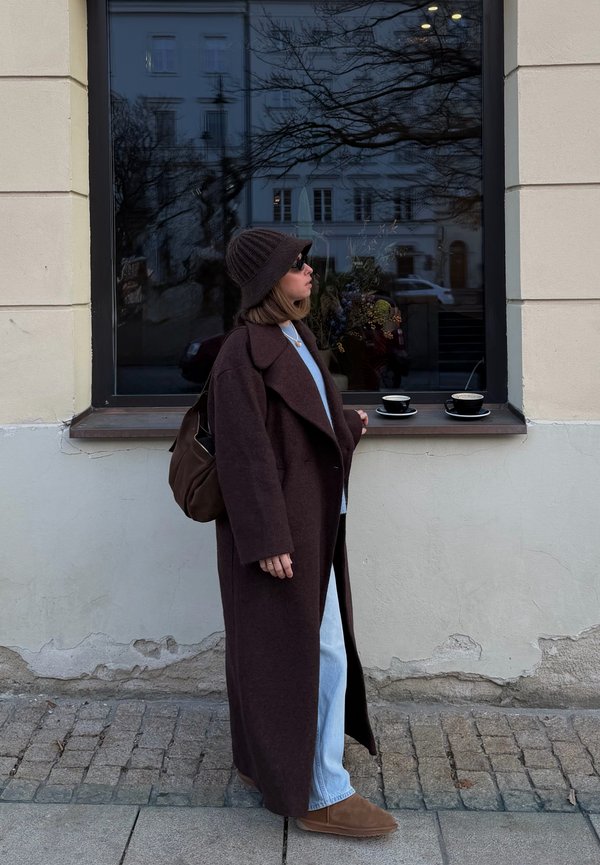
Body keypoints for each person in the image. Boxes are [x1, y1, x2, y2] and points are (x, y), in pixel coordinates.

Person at [207, 228, 397, 838]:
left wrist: (345, 423)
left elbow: (302, 416)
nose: (310, 272)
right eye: (297, 265)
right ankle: (319, 791)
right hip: (283, 531)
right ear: (269, 282)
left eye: (306, 263)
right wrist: (265, 539)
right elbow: (244, 453)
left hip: (315, 518)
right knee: (309, 653)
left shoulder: (297, 336)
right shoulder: (240, 354)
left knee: (282, 653)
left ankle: (269, 764)